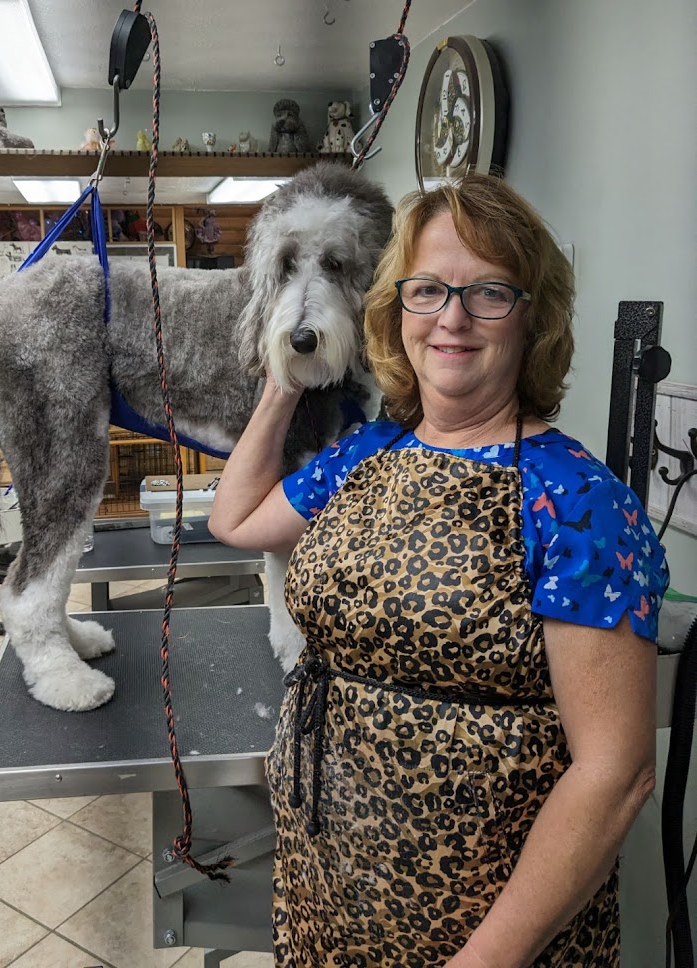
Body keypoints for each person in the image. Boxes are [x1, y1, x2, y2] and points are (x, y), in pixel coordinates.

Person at [208, 173, 668, 968]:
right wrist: (287, 367)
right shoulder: (370, 451)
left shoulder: (578, 500)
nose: (451, 317)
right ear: (393, 311)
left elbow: (615, 772)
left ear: (534, 319)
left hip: (474, 939)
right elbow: (236, 519)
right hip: (326, 898)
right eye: (425, 291)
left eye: (488, 293)